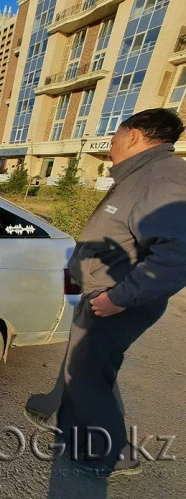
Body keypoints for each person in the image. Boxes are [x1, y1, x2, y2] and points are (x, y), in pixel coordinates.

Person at [24, 108, 186, 477]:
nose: (111, 145)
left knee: (89, 376)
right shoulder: (142, 174)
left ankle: (109, 456)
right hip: (104, 294)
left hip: (115, 301)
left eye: (115, 136)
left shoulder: (163, 178)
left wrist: (119, 298)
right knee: (86, 368)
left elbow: (176, 256)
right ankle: (68, 425)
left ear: (133, 136)